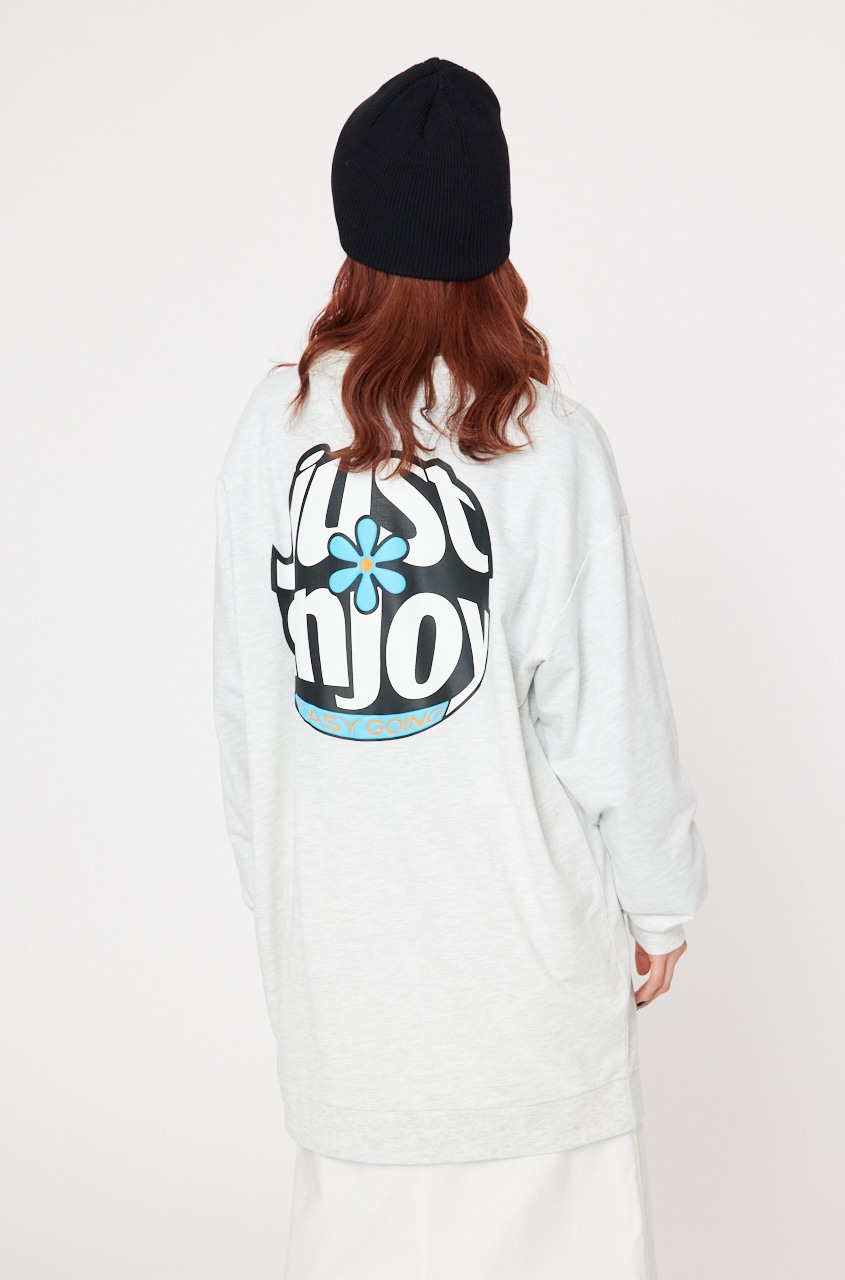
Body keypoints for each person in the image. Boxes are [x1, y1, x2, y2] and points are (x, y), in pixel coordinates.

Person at [213, 56, 709, 1280]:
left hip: (345, 996)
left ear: (352, 234)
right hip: (525, 990)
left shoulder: (271, 432)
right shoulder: (545, 442)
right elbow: (608, 708)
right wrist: (660, 900)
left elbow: (246, 704)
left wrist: (282, 899)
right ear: (495, 238)